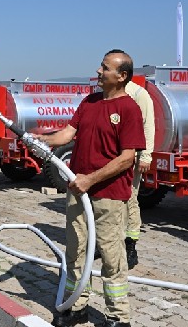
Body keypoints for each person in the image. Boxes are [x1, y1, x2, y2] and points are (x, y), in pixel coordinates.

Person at [35, 49, 145, 327]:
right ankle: (77, 306)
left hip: (108, 195)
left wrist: (89, 179)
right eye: (100, 66)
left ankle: (118, 316)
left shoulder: (129, 108)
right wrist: (41, 139)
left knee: (112, 257)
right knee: (76, 252)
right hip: (79, 192)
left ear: (121, 76)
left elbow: (127, 157)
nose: (98, 71)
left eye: (105, 68)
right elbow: (67, 134)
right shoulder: (89, 102)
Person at [123, 79, 155, 269]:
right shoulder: (104, 94)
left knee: (129, 200)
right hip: (109, 158)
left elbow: (148, 125)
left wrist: (146, 155)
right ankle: (106, 243)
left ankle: (130, 246)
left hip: (130, 157)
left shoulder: (138, 94)